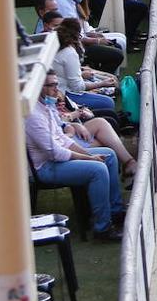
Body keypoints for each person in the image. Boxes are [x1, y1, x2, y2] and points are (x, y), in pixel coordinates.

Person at [26, 71, 124, 240]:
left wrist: (87, 153)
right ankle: (103, 227)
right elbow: (55, 152)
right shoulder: (33, 116)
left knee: (109, 155)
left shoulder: (47, 106)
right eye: (51, 85)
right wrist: (89, 158)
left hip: (57, 159)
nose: (56, 89)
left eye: (56, 84)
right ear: (38, 88)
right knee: (97, 169)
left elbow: (63, 138)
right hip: (45, 167)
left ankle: (115, 210)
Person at [53, 18, 118, 114]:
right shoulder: (69, 53)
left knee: (113, 87)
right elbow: (77, 87)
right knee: (108, 103)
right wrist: (101, 84)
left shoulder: (58, 46)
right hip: (64, 94)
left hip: (62, 89)